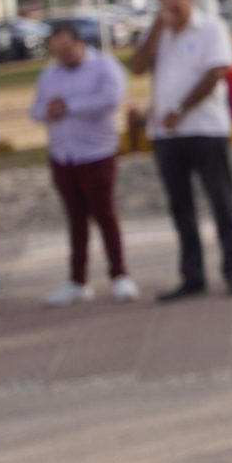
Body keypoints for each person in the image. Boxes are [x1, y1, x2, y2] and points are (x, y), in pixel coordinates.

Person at [132, 0, 232, 301]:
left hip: (206, 128)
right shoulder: (158, 35)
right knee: (180, 206)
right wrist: (156, 30)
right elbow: (138, 68)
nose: (170, 3)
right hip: (166, 135)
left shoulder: (211, 28)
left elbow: (216, 73)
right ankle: (192, 275)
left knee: (221, 200)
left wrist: (182, 108)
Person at [29, 22, 137, 305]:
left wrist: (70, 106)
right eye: (56, 51)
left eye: (66, 49)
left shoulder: (103, 66)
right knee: (75, 218)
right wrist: (49, 110)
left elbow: (111, 98)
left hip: (96, 153)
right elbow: (36, 108)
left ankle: (119, 274)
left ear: (79, 43)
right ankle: (78, 280)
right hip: (63, 155)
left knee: (104, 215)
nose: (62, 56)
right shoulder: (50, 74)